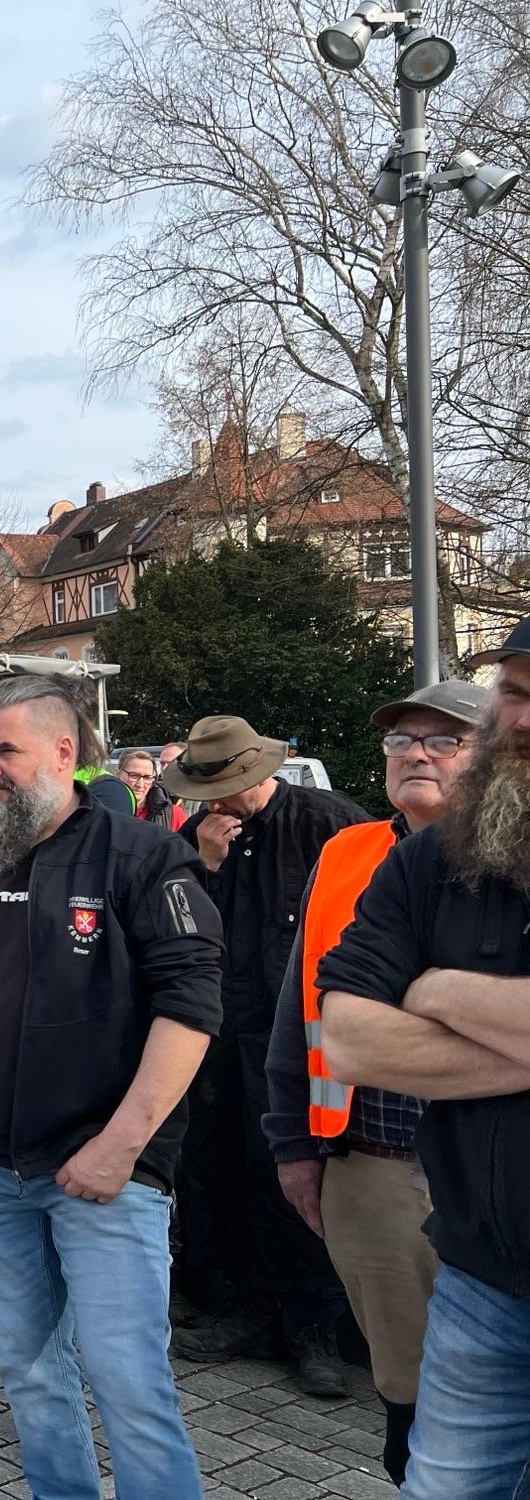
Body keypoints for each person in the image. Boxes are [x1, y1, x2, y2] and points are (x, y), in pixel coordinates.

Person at [0, 675, 222, 1499]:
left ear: (64, 750)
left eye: (4, 750)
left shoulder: (142, 855)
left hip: (101, 1178)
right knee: (27, 1371)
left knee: (127, 1380)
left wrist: (120, 1148)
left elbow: (192, 1010)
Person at [317, 623, 530, 1499]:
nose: (523, 717)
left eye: (437, 737)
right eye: (513, 692)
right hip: (485, 1281)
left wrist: (435, 990)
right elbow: (348, 1036)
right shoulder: (427, 862)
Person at [263, 678, 486, 1484]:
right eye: (401, 741)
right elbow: (301, 1008)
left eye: (442, 740)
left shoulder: (509, 855)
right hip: (372, 1163)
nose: (415, 753)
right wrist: (293, 1142)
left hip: (490, 1163)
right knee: (407, 1393)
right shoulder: (348, 852)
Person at [162, 715, 367, 1393]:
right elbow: (175, 925)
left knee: (295, 1174)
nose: (212, 803)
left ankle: (315, 1328)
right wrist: (207, 866)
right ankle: (240, 1308)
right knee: (218, 1168)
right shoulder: (198, 837)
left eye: (220, 788)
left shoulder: (327, 823)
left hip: (297, 1037)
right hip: (218, 1033)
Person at [118, 749, 186, 831]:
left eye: (147, 777)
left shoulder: (173, 814)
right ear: (117, 773)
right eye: (134, 775)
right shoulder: (103, 808)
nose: (140, 784)